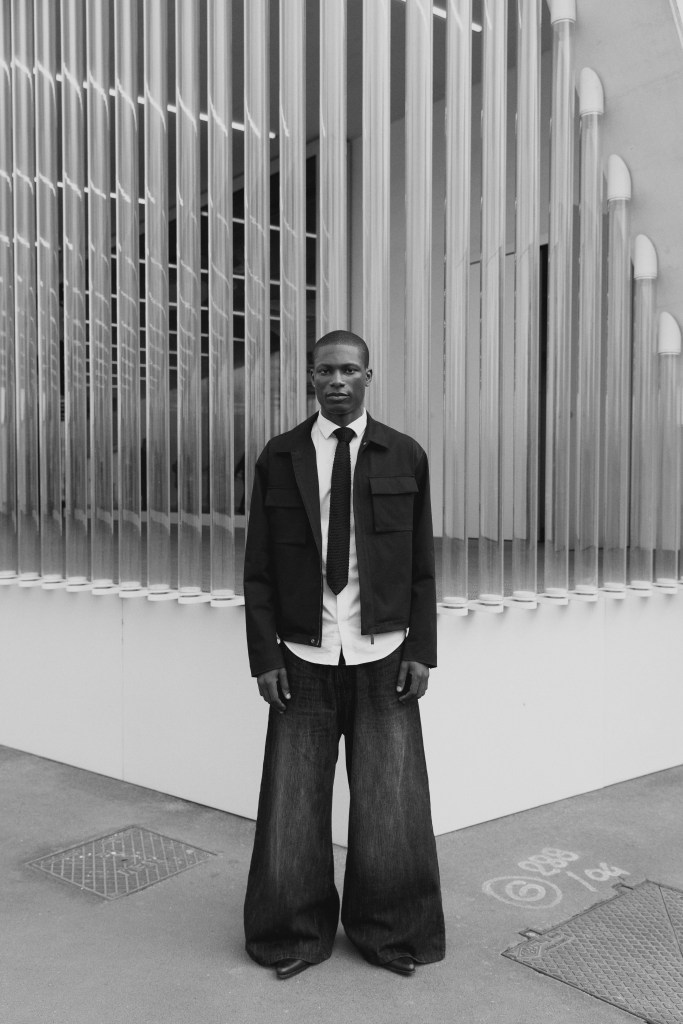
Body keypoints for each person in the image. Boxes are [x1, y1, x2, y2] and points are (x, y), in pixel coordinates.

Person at [242, 329, 445, 980]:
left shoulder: (404, 455)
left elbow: (421, 566)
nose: (337, 380)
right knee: (292, 804)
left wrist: (422, 649)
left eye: (349, 370)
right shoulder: (280, 457)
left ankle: (392, 933)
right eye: (326, 370)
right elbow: (258, 570)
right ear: (310, 377)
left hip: (383, 653)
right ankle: (291, 934)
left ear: (367, 377)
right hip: (301, 655)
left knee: (391, 803)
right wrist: (264, 657)